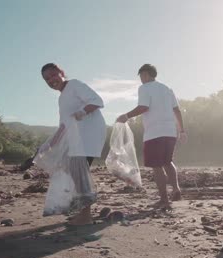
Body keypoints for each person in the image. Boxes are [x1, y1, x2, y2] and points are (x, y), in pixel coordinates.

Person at [40, 63, 106, 225]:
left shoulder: (74, 84)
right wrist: (48, 145)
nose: (51, 80)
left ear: (62, 73)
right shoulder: (62, 98)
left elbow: (97, 101)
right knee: (71, 171)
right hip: (76, 139)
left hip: (88, 136)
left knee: (79, 173)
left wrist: (83, 111)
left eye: (53, 75)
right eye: (47, 79)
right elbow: (63, 126)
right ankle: (81, 211)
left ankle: (86, 216)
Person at [117, 64, 186, 208]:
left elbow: (144, 107)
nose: (141, 79)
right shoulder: (167, 89)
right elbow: (177, 110)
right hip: (170, 131)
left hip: (154, 132)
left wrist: (126, 116)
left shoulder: (145, 88)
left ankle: (164, 200)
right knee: (168, 162)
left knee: (156, 165)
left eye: (141, 76)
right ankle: (176, 189)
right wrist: (182, 130)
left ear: (146, 74)